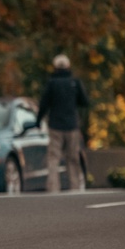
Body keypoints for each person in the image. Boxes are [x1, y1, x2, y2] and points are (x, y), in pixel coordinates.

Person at [37, 54, 89, 192]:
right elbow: (85, 102)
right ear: (68, 66)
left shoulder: (52, 83)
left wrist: (38, 120)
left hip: (55, 126)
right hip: (72, 125)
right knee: (73, 158)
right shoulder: (75, 82)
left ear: (55, 67)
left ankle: (53, 187)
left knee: (53, 158)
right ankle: (75, 187)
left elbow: (44, 104)